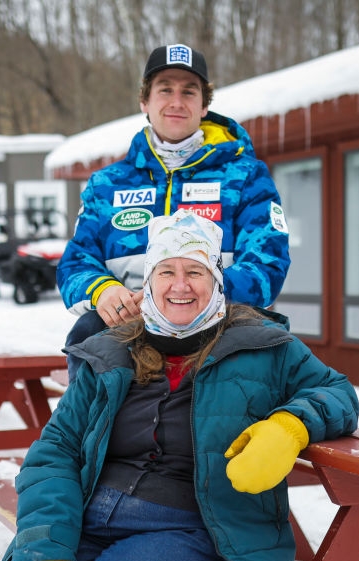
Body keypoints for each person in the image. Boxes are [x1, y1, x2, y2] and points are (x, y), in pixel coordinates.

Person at [0, 212, 359, 561]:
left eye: (195, 271)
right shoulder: (110, 351)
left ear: (216, 280)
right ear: (149, 282)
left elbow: (338, 393)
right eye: (167, 271)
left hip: (192, 531)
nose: (181, 285)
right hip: (91, 516)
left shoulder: (264, 345)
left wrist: (289, 427)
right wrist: (45, 546)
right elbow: (55, 451)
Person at [57, 43, 290, 380]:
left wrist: (198, 298)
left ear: (204, 104)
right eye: (165, 89)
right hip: (130, 329)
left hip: (218, 329)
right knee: (89, 331)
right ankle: (89, 431)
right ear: (145, 101)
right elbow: (75, 263)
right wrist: (103, 291)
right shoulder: (106, 184)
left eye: (189, 91)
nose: (177, 102)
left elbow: (268, 261)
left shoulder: (245, 176)